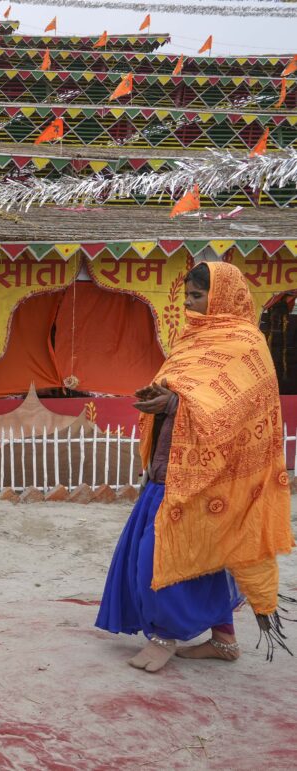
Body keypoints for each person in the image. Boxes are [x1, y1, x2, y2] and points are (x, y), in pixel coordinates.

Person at [96, 262, 295, 673]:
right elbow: (184, 388)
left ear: (221, 297)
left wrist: (174, 404)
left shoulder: (246, 346)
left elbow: (234, 410)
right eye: (187, 297)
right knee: (198, 553)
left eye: (198, 297)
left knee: (170, 552)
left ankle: (165, 635)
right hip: (170, 465)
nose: (190, 305)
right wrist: (160, 395)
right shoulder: (192, 339)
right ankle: (224, 640)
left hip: (217, 474)